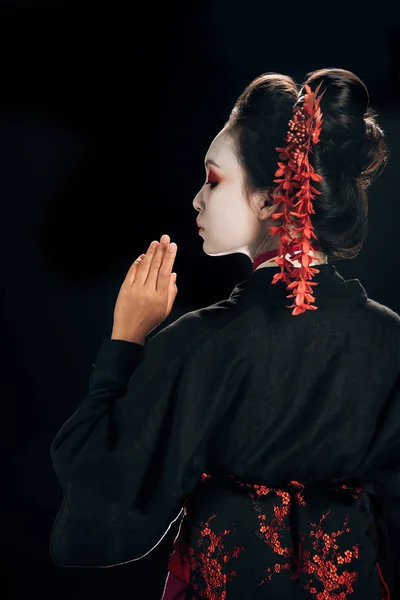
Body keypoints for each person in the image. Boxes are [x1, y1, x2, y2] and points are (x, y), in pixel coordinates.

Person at [49, 68, 399, 600]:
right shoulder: (390, 340)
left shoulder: (199, 343)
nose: (197, 199)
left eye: (213, 180)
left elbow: (109, 486)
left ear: (271, 198)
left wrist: (126, 341)